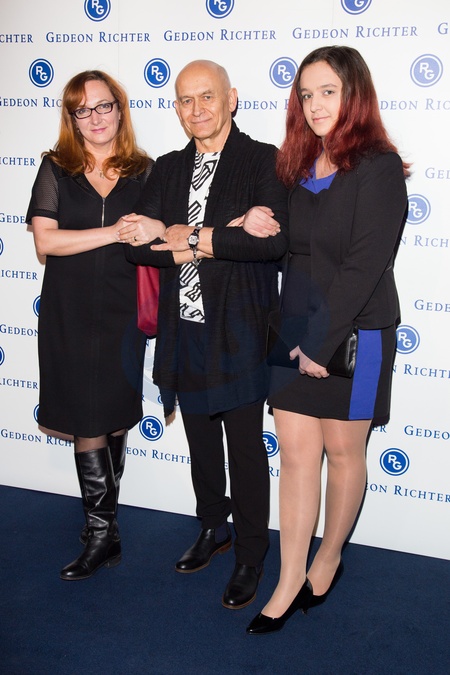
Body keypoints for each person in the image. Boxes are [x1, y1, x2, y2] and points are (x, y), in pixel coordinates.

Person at [246, 46, 409, 634]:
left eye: (328, 92)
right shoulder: (296, 164)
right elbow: (289, 245)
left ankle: (329, 557)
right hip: (293, 327)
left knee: (343, 454)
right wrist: (253, 220)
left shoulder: (379, 167)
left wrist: (320, 341)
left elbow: (365, 264)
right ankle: (289, 578)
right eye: (306, 94)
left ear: (353, 94)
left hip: (358, 334)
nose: (315, 104)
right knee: (294, 458)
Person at [121, 60, 288, 609]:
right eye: (185, 100)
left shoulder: (263, 160)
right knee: (200, 444)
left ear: (231, 98)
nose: (196, 110)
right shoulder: (168, 169)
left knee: (245, 449)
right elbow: (137, 246)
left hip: (240, 330)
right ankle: (213, 526)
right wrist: (217, 235)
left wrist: (183, 235)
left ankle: (251, 553)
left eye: (207, 96)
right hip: (184, 330)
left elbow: (269, 244)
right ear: (176, 107)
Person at [26, 70, 159, 581]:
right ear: (72, 118)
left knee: (112, 412)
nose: (95, 117)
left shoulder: (145, 171)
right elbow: (46, 242)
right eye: (83, 110)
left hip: (125, 312)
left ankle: (106, 527)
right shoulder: (56, 167)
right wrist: (112, 233)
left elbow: (159, 235)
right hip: (71, 311)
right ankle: (102, 533)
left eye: (104, 106)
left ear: (119, 110)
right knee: (87, 415)